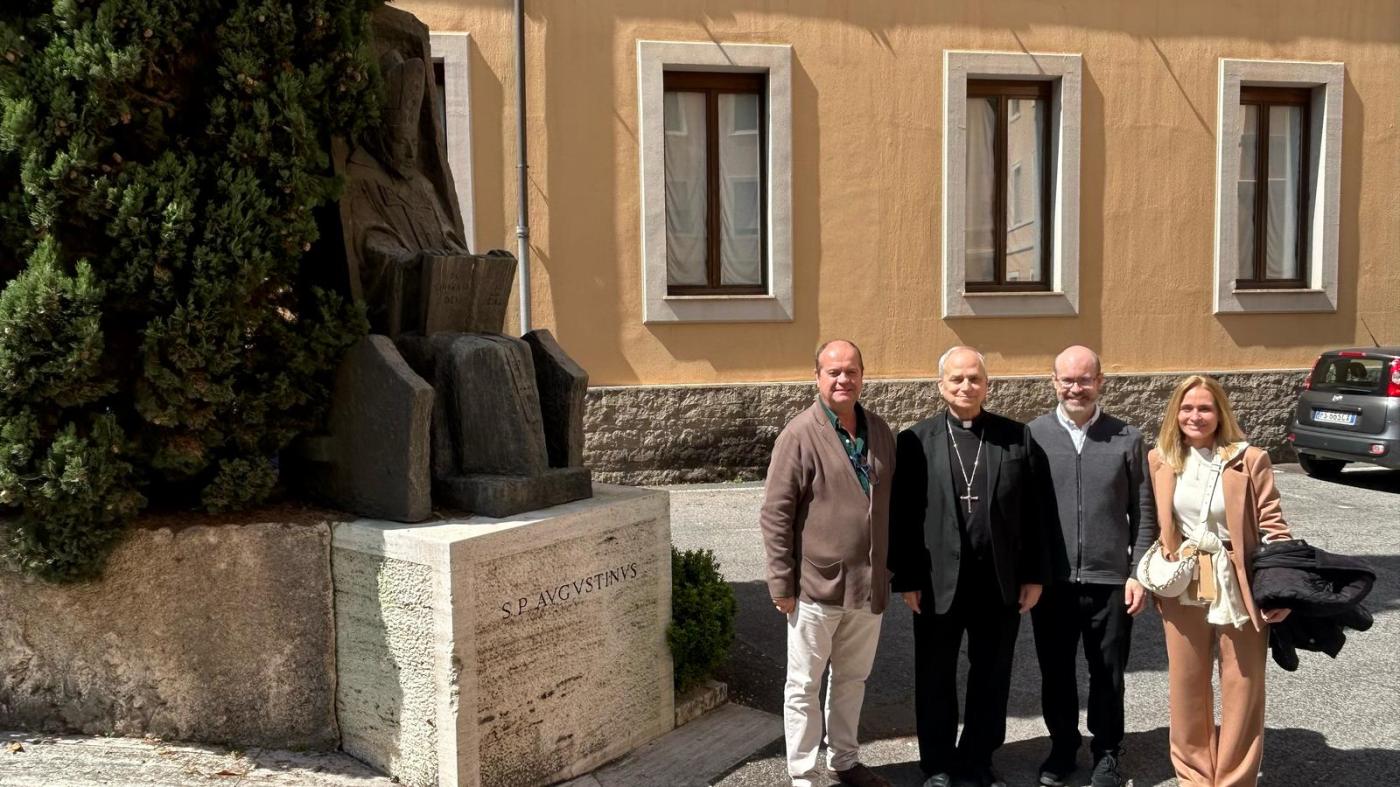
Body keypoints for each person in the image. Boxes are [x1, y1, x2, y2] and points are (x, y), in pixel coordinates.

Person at [889, 346, 1048, 787]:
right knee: (935, 675)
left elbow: (1036, 513)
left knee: (992, 675)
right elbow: (903, 517)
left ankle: (978, 759)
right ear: (941, 385)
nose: (966, 386)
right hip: (938, 581)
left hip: (999, 581)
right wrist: (907, 579)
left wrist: (1034, 575)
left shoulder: (1017, 438)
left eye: (974, 379)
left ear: (987, 385)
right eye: (957, 379)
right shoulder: (916, 440)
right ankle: (938, 764)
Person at [760, 339, 896, 787]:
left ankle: (845, 760)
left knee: (852, 680)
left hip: (868, 584)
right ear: (817, 377)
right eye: (833, 372)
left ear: (862, 375)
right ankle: (802, 773)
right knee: (804, 685)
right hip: (816, 586)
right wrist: (782, 583)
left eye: (851, 371)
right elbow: (776, 513)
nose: (843, 379)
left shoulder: (878, 430)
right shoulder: (799, 434)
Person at [1148, 375, 1293, 787]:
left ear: (1220, 413)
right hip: (1184, 578)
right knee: (1187, 685)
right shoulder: (1160, 459)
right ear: (1176, 413)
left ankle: (1234, 779)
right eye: (1188, 408)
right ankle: (1193, 777)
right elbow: (1154, 521)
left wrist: (1279, 587)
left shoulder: (1249, 459)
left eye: (1205, 408)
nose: (1196, 416)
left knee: (1242, 685)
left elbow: (1274, 526)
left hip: (1239, 582)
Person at [1027, 346, 1157, 787]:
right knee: (1056, 672)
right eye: (1067, 379)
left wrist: (1138, 572)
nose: (1075, 388)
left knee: (1108, 673)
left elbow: (1144, 512)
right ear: (1053, 382)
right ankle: (1063, 749)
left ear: (1100, 382)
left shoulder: (1127, 438)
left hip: (1110, 582)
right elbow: (1023, 515)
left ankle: (1106, 752)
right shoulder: (1035, 435)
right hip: (1054, 582)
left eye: (1084, 379)